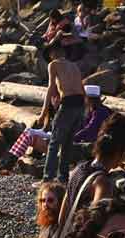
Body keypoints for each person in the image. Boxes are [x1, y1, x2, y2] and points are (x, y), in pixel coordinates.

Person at [36, 40, 85, 183]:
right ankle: (63, 177)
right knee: (68, 143)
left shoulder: (54, 65)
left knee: (54, 142)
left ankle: (47, 178)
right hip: (80, 103)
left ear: (52, 53)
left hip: (69, 103)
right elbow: (80, 87)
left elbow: (51, 87)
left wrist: (43, 112)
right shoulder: (74, 65)